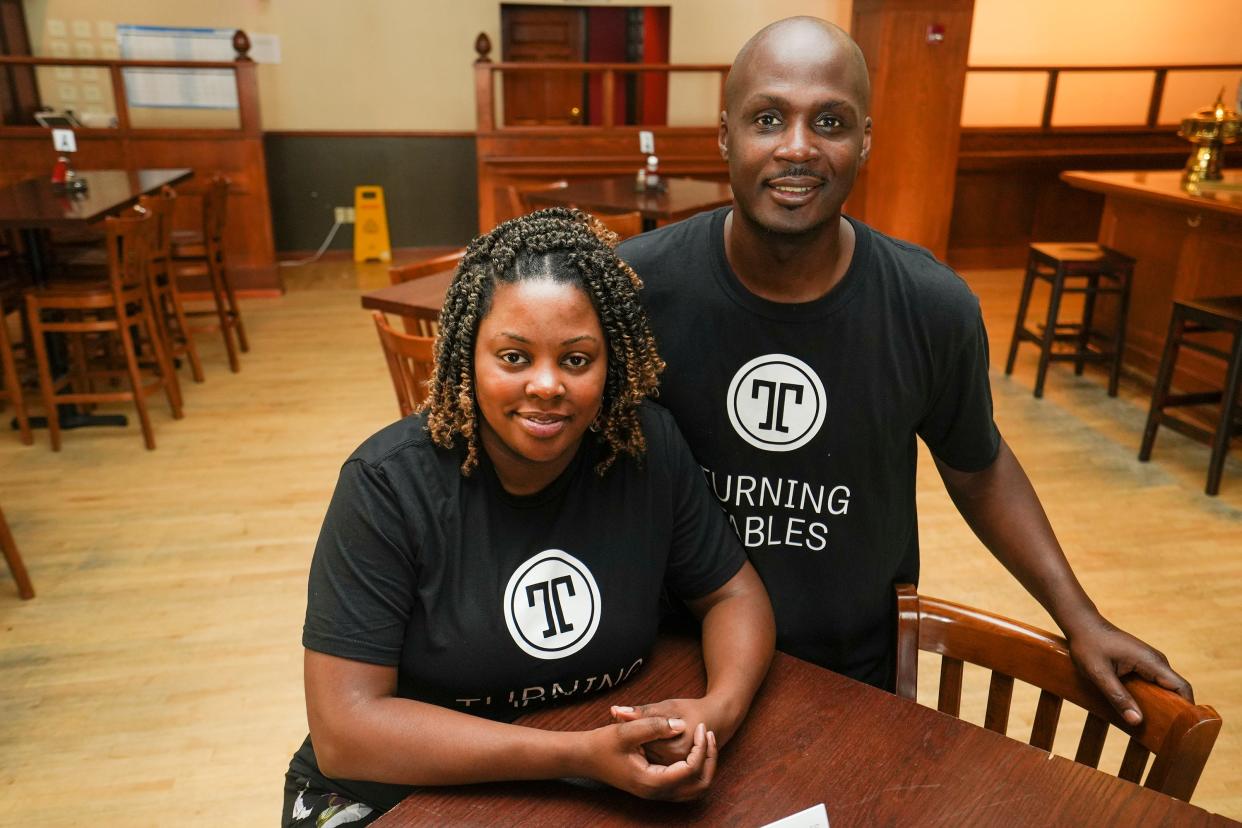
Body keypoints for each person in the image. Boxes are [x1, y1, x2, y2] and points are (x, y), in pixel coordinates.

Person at [616, 16, 1190, 723]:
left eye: (830, 121)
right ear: (725, 134)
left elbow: (978, 467)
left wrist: (1081, 618)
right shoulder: (634, 290)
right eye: (768, 118)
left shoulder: (929, 305)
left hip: (851, 678)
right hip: (668, 662)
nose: (797, 147)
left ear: (865, 142)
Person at [284, 209, 775, 826]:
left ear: (611, 364)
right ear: (468, 356)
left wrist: (719, 710)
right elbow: (347, 731)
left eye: (576, 360)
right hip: (397, 793)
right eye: (514, 357)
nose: (546, 386)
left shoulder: (645, 448)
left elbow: (734, 594)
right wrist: (575, 755)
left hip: (576, 788)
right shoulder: (387, 484)